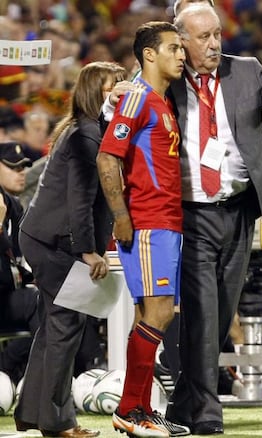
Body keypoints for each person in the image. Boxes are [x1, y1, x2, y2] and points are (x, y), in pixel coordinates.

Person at [104, 4, 262, 434]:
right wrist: (112, 98)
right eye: (202, 37)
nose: (213, 44)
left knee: (221, 315)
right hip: (188, 212)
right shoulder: (164, 76)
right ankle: (207, 412)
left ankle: (184, 405)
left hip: (240, 209)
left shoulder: (244, 70)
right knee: (202, 314)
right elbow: (120, 114)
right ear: (181, 42)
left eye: (217, 35)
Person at [14, 61, 126, 438]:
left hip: (45, 236)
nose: (121, 92)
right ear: (97, 92)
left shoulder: (88, 129)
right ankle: (58, 423)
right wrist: (88, 251)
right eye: (114, 85)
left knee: (53, 328)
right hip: (54, 241)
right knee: (66, 324)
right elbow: (80, 200)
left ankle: (31, 412)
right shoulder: (88, 135)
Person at [96, 22, 189, 438]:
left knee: (148, 317)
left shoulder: (161, 101)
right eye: (173, 48)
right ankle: (129, 408)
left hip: (166, 221)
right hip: (149, 222)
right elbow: (107, 157)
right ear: (149, 54)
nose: (181, 56)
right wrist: (121, 215)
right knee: (160, 313)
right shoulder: (137, 97)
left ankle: (141, 408)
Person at [0, 143, 38, 385]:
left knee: (61, 300)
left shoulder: (13, 206)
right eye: (13, 167)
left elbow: (12, 260)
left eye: (23, 167)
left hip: (7, 295)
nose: (21, 172)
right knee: (43, 303)